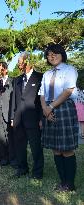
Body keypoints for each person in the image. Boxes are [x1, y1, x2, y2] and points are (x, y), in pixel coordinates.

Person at [39, 44, 79, 191]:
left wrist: (50, 107)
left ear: (62, 54)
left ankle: (70, 184)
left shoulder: (70, 70)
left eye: (55, 53)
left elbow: (68, 91)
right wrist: (45, 109)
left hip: (64, 108)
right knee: (56, 148)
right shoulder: (46, 74)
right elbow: (42, 94)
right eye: (49, 54)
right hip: (48, 109)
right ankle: (63, 182)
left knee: (66, 149)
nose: (52, 56)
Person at [11, 52, 44, 179]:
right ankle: (22, 168)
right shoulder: (17, 80)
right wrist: (13, 117)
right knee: (20, 146)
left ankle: (37, 172)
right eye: (18, 62)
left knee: (36, 147)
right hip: (19, 119)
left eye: (20, 62)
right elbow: (14, 100)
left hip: (34, 119)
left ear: (28, 62)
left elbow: (42, 100)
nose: (19, 64)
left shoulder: (40, 77)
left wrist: (42, 118)